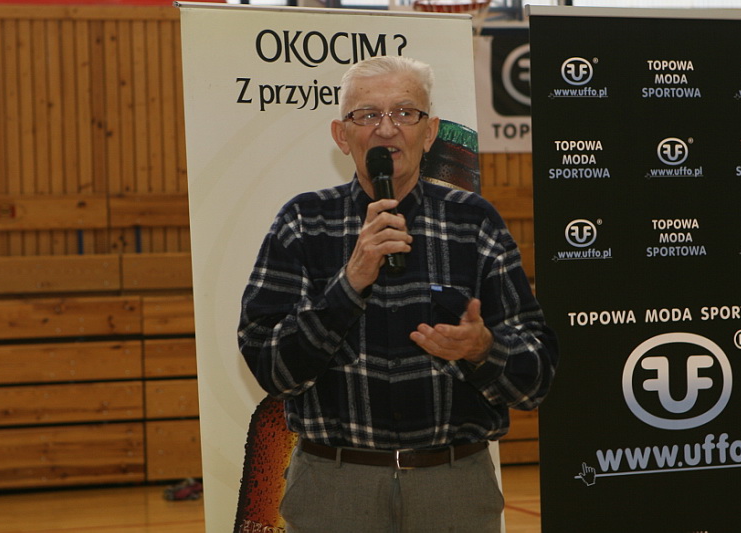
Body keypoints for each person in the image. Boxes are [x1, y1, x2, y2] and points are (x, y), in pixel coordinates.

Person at [238, 55, 558, 533]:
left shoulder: (474, 222)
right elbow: (270, 367)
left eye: (405, 113)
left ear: (430, 133)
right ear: (341, 135)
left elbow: (538, 377)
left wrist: (483, 349)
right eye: (367, 115)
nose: (386, 129)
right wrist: (348, 286)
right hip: (335, 488)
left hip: (454, 487)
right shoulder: (303, 222)